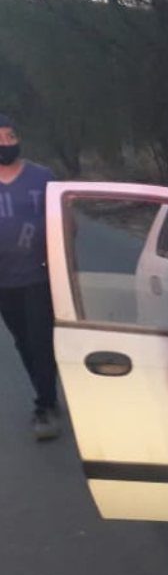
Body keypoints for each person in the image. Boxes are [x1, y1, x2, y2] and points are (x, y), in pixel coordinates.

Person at [0, 113, 61, 440]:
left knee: (40, 340)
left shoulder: (42, 177)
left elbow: (65, 220)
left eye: (11, 137)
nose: (6, 144)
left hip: (39, 275)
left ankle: (45, 406)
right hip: (4, 282)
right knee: (23, 341)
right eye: (0, 139)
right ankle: (46, 389)